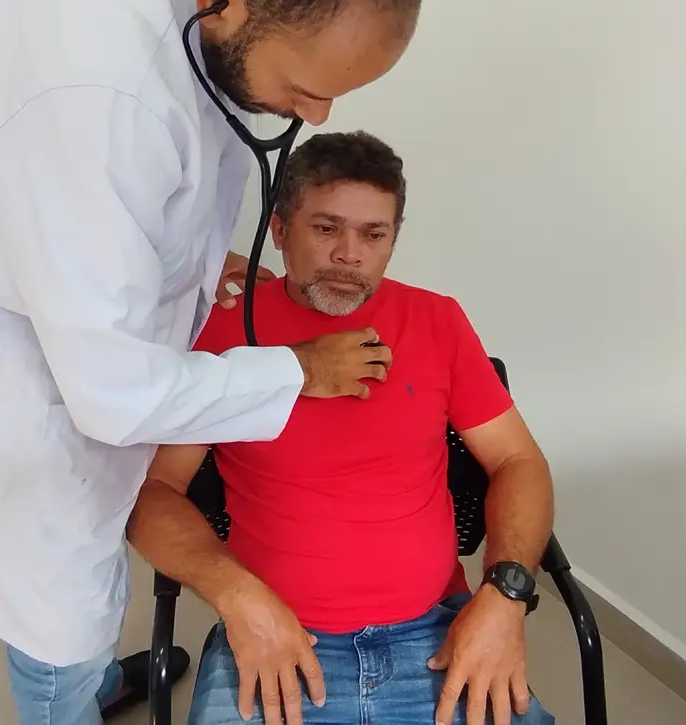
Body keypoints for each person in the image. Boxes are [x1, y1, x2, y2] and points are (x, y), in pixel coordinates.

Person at [0, 0, 424, 725]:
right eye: (304, 88)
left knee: (94, 596)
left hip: (82, 327)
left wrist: (177, 257)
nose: (317, 116)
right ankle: (70, 694)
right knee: (58, 633)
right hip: (34, 406)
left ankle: (92, 674)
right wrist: (297, 369)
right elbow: (111, 393)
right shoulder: (94, 96)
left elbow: (132, 193)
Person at [128, 132, 557, 725]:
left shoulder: (437, 321)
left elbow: (518, 461)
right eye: (326, 228)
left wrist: (505, 595)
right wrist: (237, 596)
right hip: (276, 631)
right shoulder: (224, 330)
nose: (349, 255)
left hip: (436, 630)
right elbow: (152, 493)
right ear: (280, 232)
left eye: (373, 235)